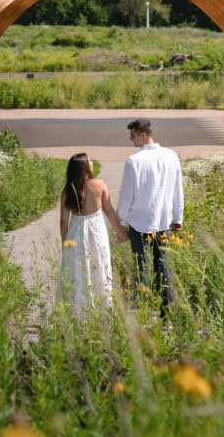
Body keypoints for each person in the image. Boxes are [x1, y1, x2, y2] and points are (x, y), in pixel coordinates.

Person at [117, 118, 184, 317]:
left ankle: (143, 309)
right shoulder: (171, 156)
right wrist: (178, 217)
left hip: (139, 222)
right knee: (163, 264)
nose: (131, 140)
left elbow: (126, 196)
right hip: (163, 221)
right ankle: (167, 310)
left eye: (133, 136)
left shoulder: (134, 161)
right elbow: (177, 189)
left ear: (142, 135)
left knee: (141, 265)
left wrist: (121, 222)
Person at [59, 152, 128, 313]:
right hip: (96, 232)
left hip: (75, 233)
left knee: (76, 269)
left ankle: (76, 310)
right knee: (99, 265)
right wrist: (121, 232)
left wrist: (65, 243)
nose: (92, 162)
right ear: (84, 167)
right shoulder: (100, 185)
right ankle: (101, 309)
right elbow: (109, 211)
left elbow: (63, 220)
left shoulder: (68, 190)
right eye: (89, 161)